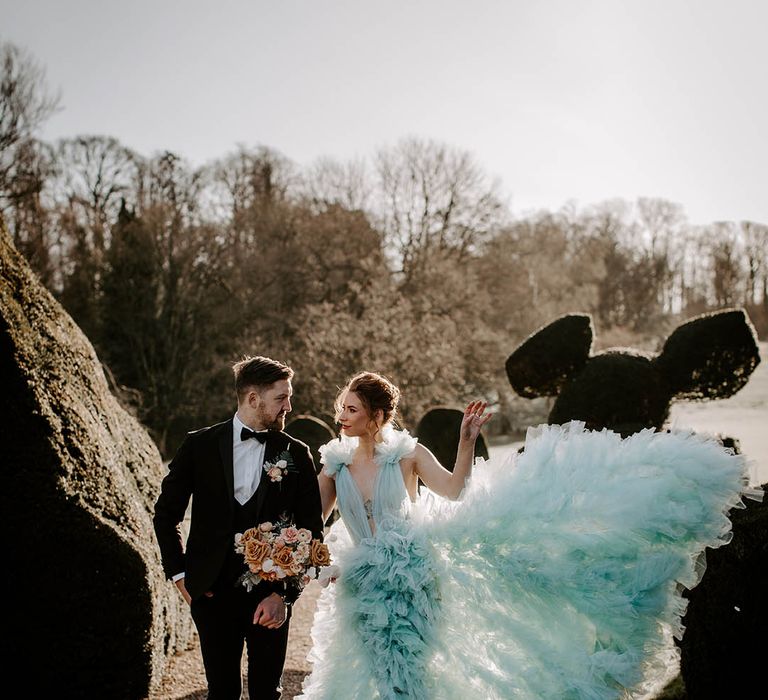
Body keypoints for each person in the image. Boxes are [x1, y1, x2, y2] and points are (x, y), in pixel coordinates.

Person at [297, 371, 760, 700]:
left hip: (413, 578)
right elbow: (311, 522)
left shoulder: (408, 454)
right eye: (342, 408)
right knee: (378, 672)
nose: (342, 415)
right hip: (362, 584)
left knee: (410, 673)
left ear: (376, 415)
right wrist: (316, 562)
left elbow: (455, 491)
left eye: (352, 409)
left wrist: (465, 439)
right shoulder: (334, 463)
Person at [153, 356, 323, 700]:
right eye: (281, 398)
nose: (289, 406)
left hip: (270, 596)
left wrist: (285, 596)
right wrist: (181, 576)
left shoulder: (297, 453)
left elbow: (312, 533)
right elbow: (165, 514)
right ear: (253, 398)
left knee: (266, 693)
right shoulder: (199, 445)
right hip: (211, 594)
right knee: (221, 692)